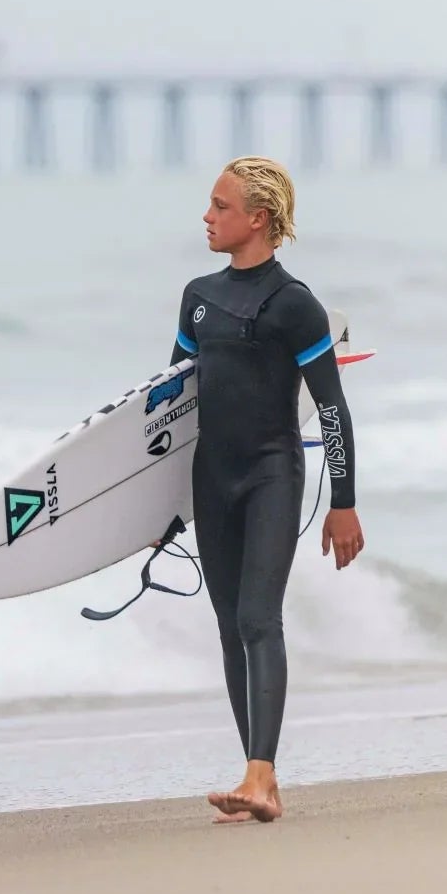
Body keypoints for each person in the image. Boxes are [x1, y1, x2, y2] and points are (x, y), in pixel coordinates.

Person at [168, 156, 365, 824]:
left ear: (257, 218)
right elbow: (167, 408)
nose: (206, 216)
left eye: (219, 207)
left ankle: (260, 774)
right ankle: (258, 777)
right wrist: (152, 511)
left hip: (269, 474)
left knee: (257, 617)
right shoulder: (197, 296)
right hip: (210, 479)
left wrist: (343, 503)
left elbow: (331, 408)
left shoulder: (293, 305)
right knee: (227, 627)